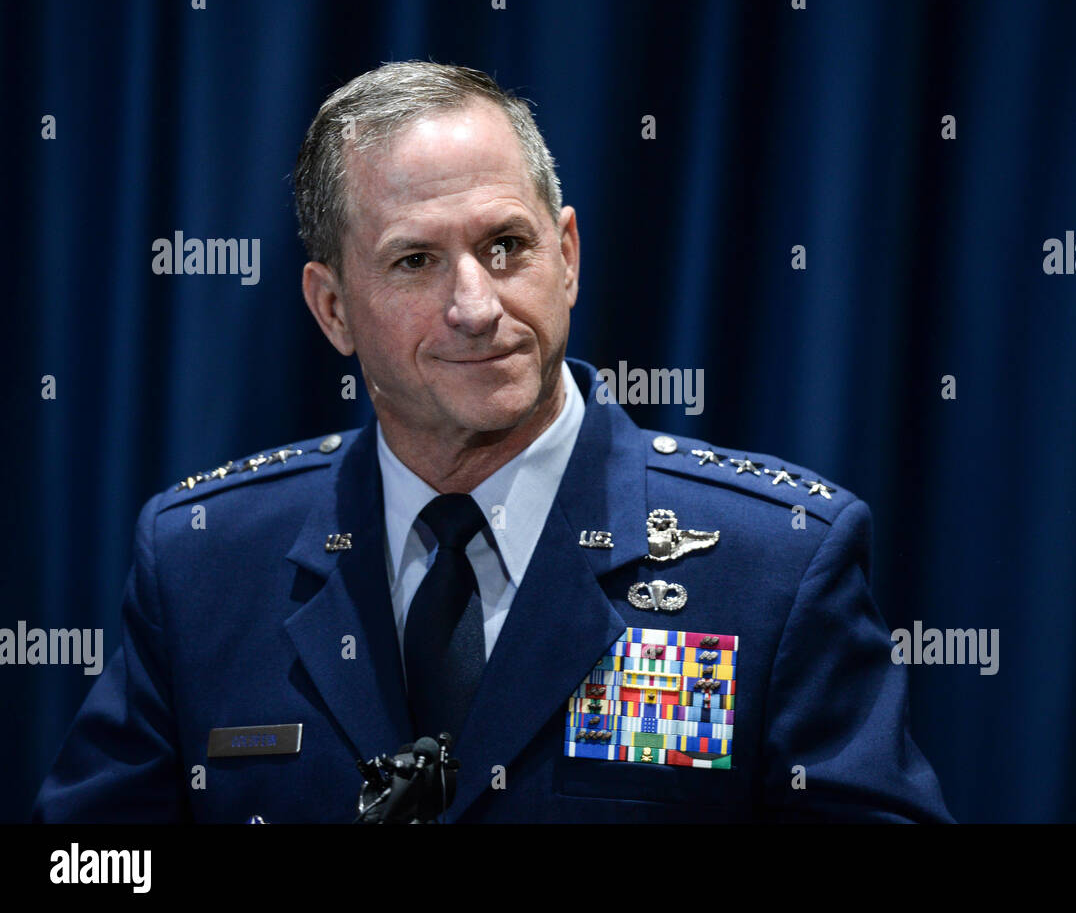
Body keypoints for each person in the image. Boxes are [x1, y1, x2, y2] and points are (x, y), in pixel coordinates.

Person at [33, 61, 953, 822]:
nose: (477, 306)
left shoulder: (776, 563)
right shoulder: (203, 563)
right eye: (415, 261)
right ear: (331, 308)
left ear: (569, 256)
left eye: (506, 246)